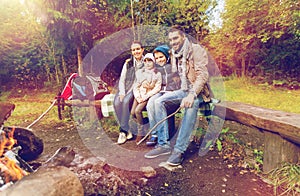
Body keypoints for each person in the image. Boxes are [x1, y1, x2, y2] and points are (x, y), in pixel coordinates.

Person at [144, 26, 211, 166]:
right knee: (158, 102)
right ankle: (163, 144)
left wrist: (192, 94)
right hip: (184, 90)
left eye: (175, 38)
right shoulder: (175, 54)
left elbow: (203, 75)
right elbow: (176, 77)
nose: (173, 42)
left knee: (190, 105)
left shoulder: (196, 50)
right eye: (170, 39)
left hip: (197, 91)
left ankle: (179, 150)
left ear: (183, 37)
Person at [146, 45, 181, 146]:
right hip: (161, 91)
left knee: (158, 103)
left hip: (172, 92)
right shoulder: (157, 69)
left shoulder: (173, 66)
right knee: (150, 104)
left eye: (161, 57)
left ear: (167, 56)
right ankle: (155, 134)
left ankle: (164, 139)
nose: (159, 60)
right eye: (156, 58)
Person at [114, 41, 144, 144]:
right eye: (134, 50)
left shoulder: (147, 61)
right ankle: (127, 130)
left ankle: (122, 132)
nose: (136, 52)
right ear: (131, 52)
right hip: (125, 87)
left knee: (126, 102)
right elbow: (122, 79)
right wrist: (122, 92)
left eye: (138, 49)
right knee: (117, 102)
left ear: (142, 49)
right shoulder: (128, 63)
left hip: (136, 90)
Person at [131, 53, 162, 143]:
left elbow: (157, 88)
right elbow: (136, 86)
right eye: (145, 61)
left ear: (154, 62)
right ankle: (145, 123)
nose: (147, 63)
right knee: (133, 113)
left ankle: (140, 132)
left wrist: (145, 97)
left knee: (138, 111)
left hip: (147, 96)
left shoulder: (157, 73)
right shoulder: (141, 73)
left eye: (150, 61)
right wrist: (138, 96)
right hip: (139, 95)